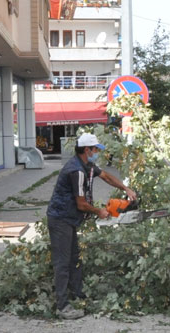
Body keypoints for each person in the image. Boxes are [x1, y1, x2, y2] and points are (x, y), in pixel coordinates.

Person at [46, 133, 137, 319]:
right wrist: (99, 212)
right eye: (95, 149)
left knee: (75, 259)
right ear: (87, 150)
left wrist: (125, 189)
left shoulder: (87, 166)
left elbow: (106, 177)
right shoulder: (76, 171)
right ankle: (62, 307)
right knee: (63, 263)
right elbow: (81, 203)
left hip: (70, 219)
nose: (97, 152)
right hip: (61, 219)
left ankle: (78, 295)